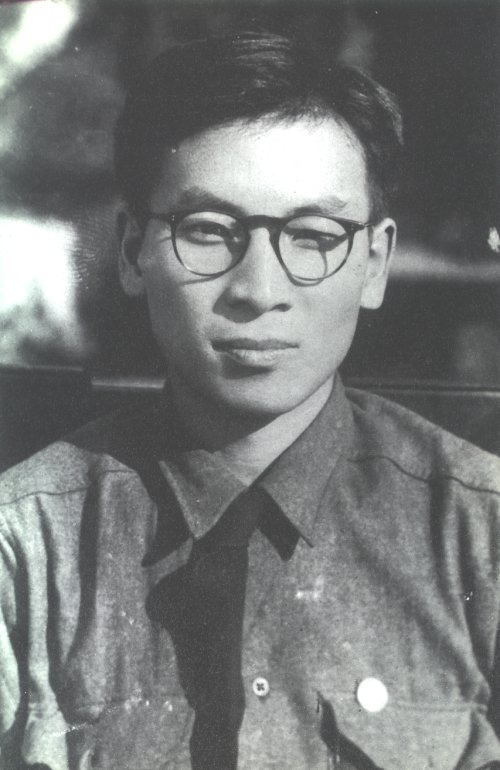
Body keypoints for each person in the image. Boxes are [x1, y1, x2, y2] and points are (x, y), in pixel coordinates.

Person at [1, 30, 500, 770]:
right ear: (133, 251)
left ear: (374, 262)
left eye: (313, 235)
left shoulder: (482, 535)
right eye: (208, 231)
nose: (259, 291)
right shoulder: (23, 546)